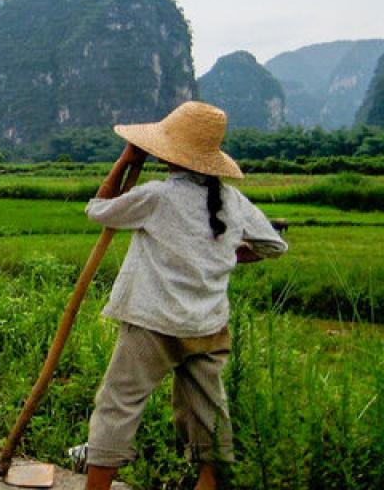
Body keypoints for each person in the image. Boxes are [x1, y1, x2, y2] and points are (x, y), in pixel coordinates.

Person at [74, 101, 287, 490]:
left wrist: (124, 161)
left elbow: (97, 210)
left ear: (169, 153)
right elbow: (274, 245)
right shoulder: (233, 202)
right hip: (207, 325)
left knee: (118, 407)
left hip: (151, 324)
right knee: (209, 415)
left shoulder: (157, 196)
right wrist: (221, 256)